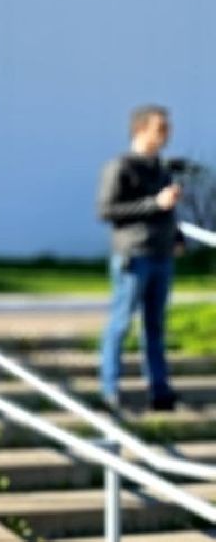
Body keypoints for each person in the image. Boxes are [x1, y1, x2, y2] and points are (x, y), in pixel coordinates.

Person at [97, 105, 182, 414]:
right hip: (133, 255)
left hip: (161, 255)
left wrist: (176, 237)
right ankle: (110, 388)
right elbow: (107, 211)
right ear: (141, 130)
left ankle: (159, 389)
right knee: (121, 323)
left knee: (155, 326)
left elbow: (166, 210)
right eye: (160, 128)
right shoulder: (120, 167)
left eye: (167, 128)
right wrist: (153, 203)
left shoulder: (161, 168)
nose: (166, 134)